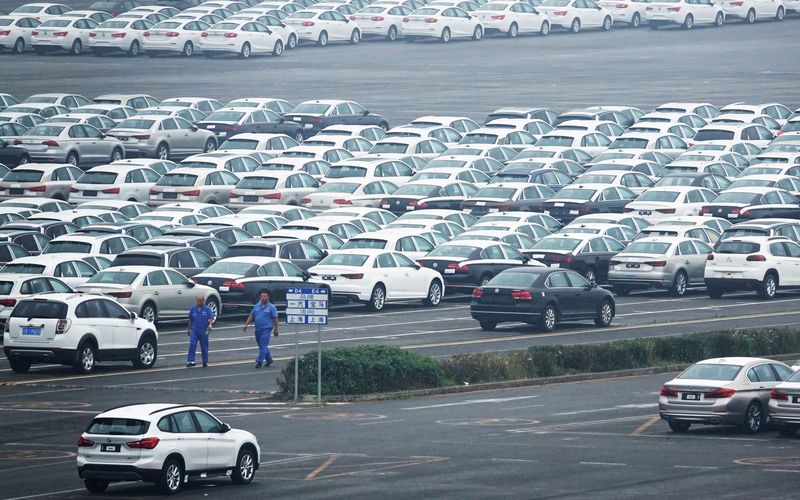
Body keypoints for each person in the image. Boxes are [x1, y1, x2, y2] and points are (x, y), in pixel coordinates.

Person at [243, 290, 279, 368]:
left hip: (266, 329)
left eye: (264, 296)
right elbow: (252, 315)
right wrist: (246, 324)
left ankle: (259, 361)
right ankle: (269, 359)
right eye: (262, 296)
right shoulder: (257, 306)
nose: (263, 298)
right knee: (262, 346)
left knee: (263, 345)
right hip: (258, 329)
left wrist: (276, 329)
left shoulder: (271, 307)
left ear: (268, 297)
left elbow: (275, 319)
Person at [187, 294, 215, 368]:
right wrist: (189, 329)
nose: (199, 303)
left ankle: (205, 361)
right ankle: (191, 361)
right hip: (194, 330)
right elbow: (190, 319)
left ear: (203, 301)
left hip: (204, 331)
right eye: (198, 301)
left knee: (204, 346)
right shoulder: (193, 309)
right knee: (192, 345)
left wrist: (210, 325)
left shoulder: (207, 309)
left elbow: (210, 318)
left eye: (200, 301)